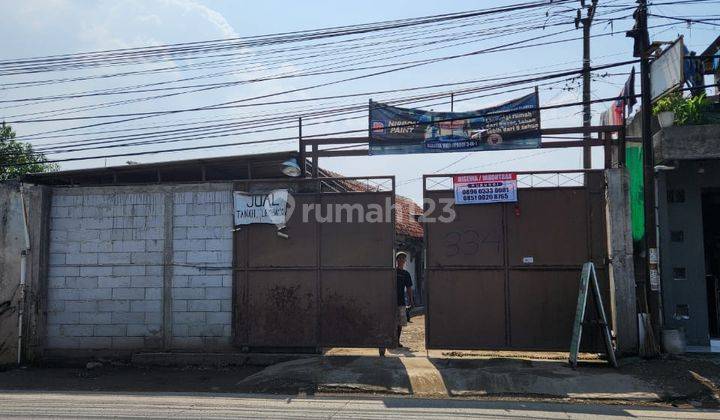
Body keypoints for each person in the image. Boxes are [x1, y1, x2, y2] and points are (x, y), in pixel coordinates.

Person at [395, 252, 414, 348]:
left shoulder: (406, 274)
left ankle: (397, 341)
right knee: (391, 321)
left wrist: (411, 300)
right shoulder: (393, 272)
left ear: (405, 261)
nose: (402, 260)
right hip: (391, 300)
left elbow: (409, 288)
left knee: (400, 323)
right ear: (397, 260)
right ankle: (390, 340)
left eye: (403, 259)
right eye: (400, 258)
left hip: (401, 301)